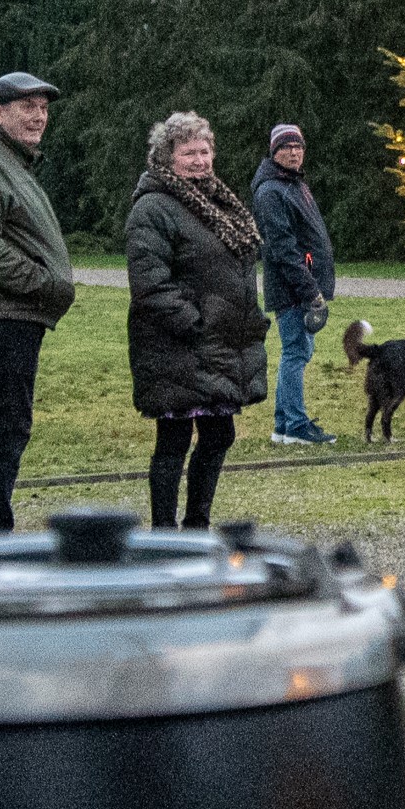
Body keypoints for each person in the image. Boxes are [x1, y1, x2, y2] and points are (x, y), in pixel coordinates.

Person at [125, 112, 269, 528]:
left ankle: (197, 525)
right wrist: (195, 323)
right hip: (178, 345)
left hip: (219, 346)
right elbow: (149, 283)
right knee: (173, 440)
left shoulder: (218, 201)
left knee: (219, 434)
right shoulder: (153, 207)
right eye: (189, 152)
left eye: (205, 151)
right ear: (167, 158)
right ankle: (164, 532)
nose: (200, 160)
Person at [0, 70, 77, 534]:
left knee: (0, 425)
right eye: (27, 107)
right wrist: (41, 284)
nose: (39, 116)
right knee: (8, 427)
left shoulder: (12, 162)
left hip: (12, 315)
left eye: (43, 108)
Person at [251, 123, 337, 445]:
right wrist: (309, 289)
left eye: (298, 147)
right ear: (274, 152)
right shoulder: (271, 190)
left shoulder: (292, 184)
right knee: (296, 352)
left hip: (300, 284)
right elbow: (282, 248)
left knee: (297, 351)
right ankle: (296, 426)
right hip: (292, 287)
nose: (293, 152)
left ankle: (283, 426)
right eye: (286, 147)